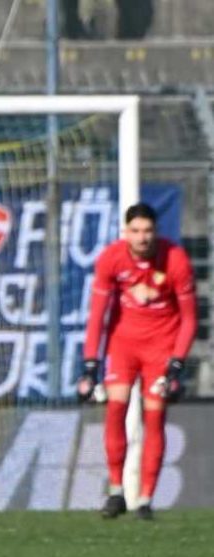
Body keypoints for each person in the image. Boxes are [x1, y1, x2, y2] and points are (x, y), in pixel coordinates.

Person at [77, 203, 196, 521]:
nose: (142, 238)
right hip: (123, 345)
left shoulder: (176, 260)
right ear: (125, 232)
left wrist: (176, 364)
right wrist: (91, 363)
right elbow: (98, 314)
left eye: (148, 231)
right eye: (136, 231)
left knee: (154, 418)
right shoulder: (111, 258)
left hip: (161, 347)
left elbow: (188, 320)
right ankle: (116, 492)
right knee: (115, 407)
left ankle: (145, 499)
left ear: (156, 232)